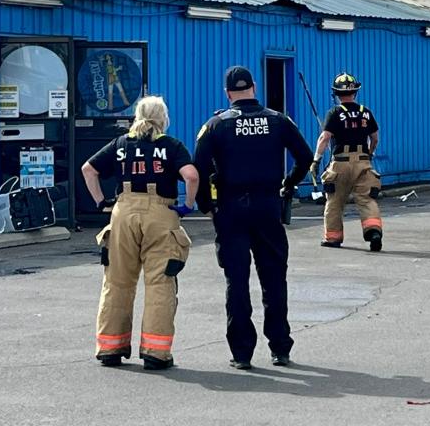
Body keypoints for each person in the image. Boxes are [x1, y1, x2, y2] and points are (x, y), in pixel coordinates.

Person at [194, 65, 313, 370]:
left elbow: (199, 167)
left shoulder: (216, 125)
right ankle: (280, 348)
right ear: (255, 88)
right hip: (268, 206)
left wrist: (208, 207)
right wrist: (288, 184)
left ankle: (242, 353)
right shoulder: (278, 120)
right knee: (274, 278)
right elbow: (305, 157)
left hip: (231, 210)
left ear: (227, 92)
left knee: (237, 280)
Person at [82, 95, 198, 371]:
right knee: (160, 283)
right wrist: (188, 205)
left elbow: (88, 169)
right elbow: (192, 176)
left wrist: (101, 203)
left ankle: (110, 348)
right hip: (160, 212)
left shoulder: (121, 144)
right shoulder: (170, 146)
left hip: (123, 210)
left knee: (117, 281)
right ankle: (155, 353)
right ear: (163, 118)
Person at [311, 73, 383, 251]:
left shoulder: (335, 113)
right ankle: (373, 231)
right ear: (355, 92)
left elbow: (324, 137)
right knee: (366, 199)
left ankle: (333, 238)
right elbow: (375, 138)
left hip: (340, 163)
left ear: (336, 93)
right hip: (363, 163)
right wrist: (369, 154)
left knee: (334, 201)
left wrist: (316, 160)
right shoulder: (365, 112)